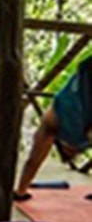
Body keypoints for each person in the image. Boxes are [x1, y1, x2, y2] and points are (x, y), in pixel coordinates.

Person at [14, 58, 92, 199]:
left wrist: (21, 190)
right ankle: (20, 190)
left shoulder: (54, 126)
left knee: (37, 152)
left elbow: (34, 161)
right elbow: (33, 161)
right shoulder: (57, 128)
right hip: (84, 83)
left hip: (84, 85)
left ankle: (20, 190)